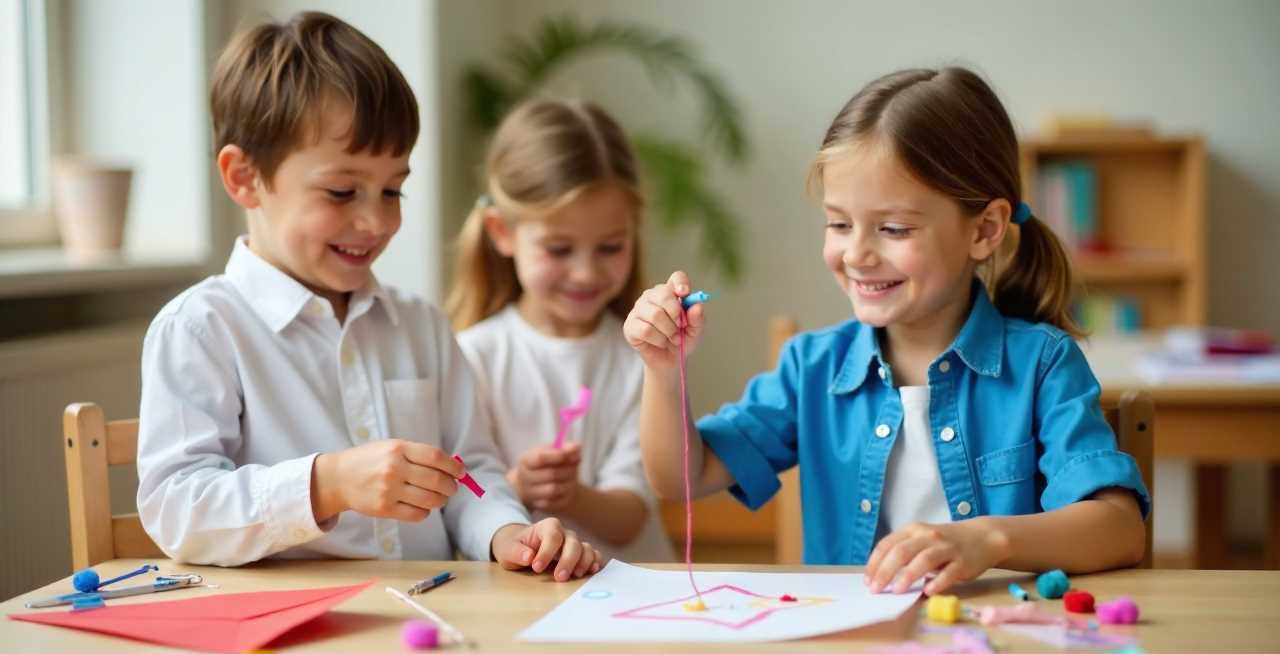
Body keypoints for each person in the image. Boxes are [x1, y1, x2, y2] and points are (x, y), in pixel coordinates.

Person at [623, 67, 1149, 596]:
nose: (856, 254)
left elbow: (1120, 529)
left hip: (1004, 640)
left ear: (984, 230)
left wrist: (985, 540)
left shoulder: (1043, 365)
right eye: (838, 224)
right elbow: (680, 479)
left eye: (893, 229)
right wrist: (663, 372)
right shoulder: (812, 367)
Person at [136, 12, 601, 581]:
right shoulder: (202, 329)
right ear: (244, 177)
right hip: (279, 638)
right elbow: (176, 507)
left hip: (427, 615)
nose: (374, 220)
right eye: (341, 190)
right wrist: (324, 484)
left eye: (393, 189)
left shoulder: (421, 326)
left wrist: (506, 532)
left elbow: (471, 472)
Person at [449, 98, 675, 562]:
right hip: (519, 599)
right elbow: (460, 489)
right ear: (502, 232)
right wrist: (514, 490)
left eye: (610, 247)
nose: (586, 273)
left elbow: (632, 516)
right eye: (559, 248)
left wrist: (572, 496)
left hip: (633, 597)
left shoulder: (645, 355)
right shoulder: (472, 356)